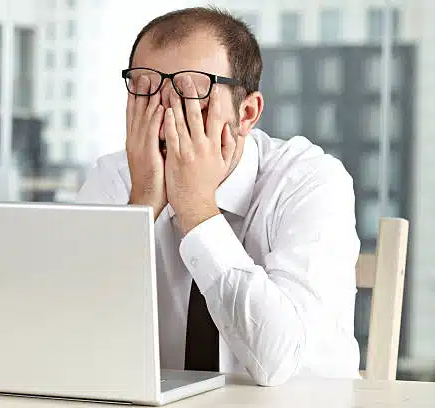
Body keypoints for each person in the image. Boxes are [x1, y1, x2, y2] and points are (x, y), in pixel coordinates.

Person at [75, 6, 361, 386]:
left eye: (192, 98)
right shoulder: (114, 178)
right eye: (146, 92)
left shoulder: (310, 181)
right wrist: (141, 206)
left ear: (246, 113)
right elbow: (75, 338)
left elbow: (279, 363)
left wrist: (196, 209)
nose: (167, 118)